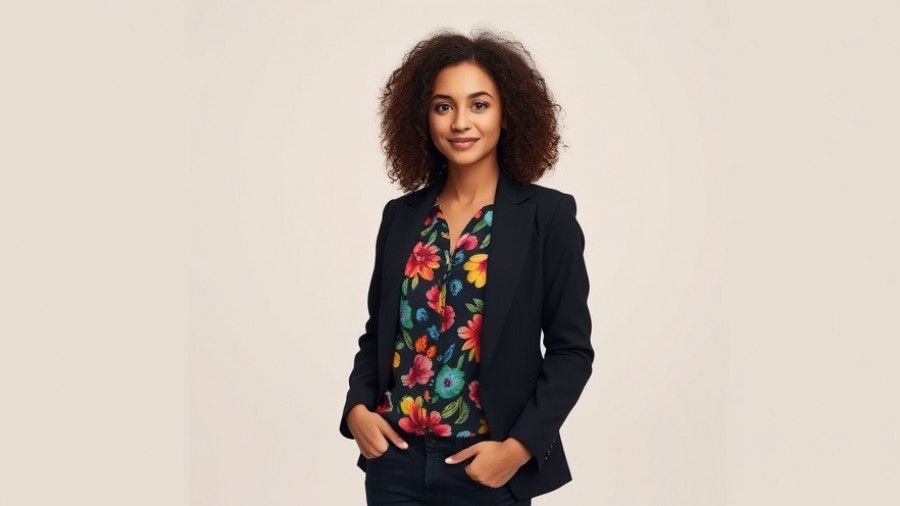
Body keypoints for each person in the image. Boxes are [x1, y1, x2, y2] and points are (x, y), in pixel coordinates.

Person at [339, 29, 594, 505]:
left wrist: (518, 450)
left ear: (507, 113)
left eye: (479, 104)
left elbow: (571, 351)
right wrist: (356, 409)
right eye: (443, 106)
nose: (460, 122)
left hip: (485, 469)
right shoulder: (402, 217)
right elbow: (378, 335)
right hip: (394, 464)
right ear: (424, 116)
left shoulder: (547, 216)